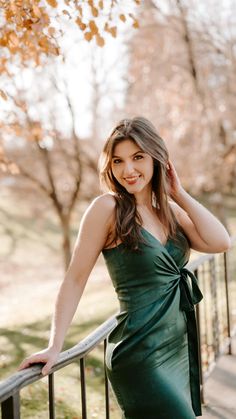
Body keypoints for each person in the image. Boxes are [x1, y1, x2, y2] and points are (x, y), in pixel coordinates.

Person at [18, 116, 231, 418]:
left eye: (138, 157)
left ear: (158, 159)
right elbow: (75, 279)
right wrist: (55, 345)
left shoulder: (168, 211)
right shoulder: (107, 209)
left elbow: (220, 242)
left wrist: (178, 192)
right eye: (118, 161)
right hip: (140, 356)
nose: (128, 170)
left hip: (177, 347)